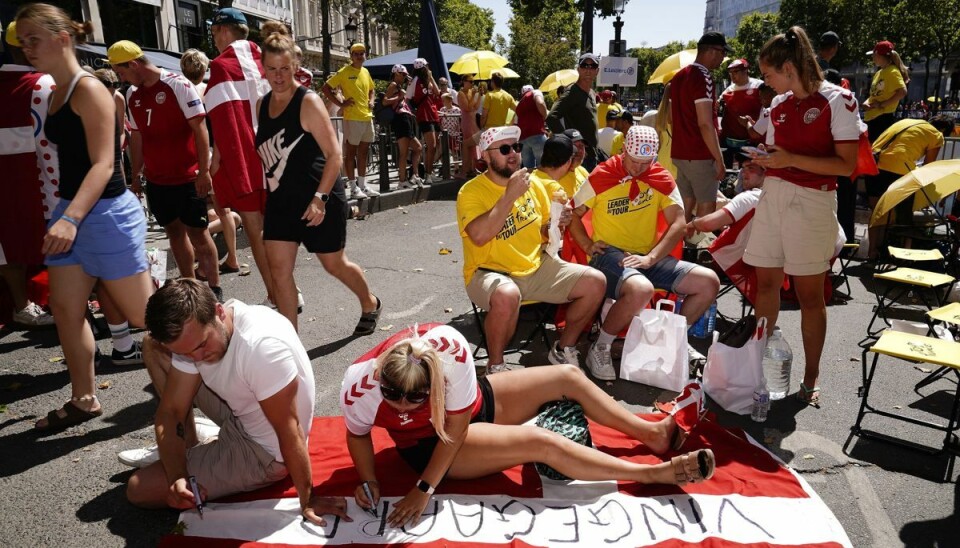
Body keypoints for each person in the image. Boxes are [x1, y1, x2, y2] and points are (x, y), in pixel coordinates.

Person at [340, 323, 715, 527]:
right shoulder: (360, 385)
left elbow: (458, 422)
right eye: (393, 396)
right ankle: (652, 475)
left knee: (567, 375)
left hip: (462, 414)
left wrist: (423, 490)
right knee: (539, 441)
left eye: (416, 398)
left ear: (435, 381)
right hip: (429, 443)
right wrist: (379, 481)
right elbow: (356, 435)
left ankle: (651, 433)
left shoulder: (450, 350)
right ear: (379, 380)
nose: (403, 404)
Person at [16, 3, 154, 431]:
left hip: (106, 215)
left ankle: (197, 397)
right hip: (72, 210)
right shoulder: (54, 89)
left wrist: (69, 219)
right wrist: (67, 214)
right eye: (22, 42)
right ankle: (85, 398)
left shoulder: (89, 88)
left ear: (62, 39)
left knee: (150, 320)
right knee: (64, 307)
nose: (26, 49)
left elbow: (104, 164)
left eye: (33, 39)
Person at [122, 280, 349, 526]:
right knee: (153, 346)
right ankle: (189, 446)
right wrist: (178, 475)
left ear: (219, 312)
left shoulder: (260, 348)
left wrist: (309, 498)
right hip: (243, 409)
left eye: (201, 345)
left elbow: (289, 429)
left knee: (138, 489)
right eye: (186, 353)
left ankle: (198, 453)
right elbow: (171, 411)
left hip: (265, 451)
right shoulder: (205, 331)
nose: (197, 358)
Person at [744, 26, 862, 408]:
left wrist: (788, 159)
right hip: (774, 194)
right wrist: (766, 159)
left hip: (813, 200)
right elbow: (777, 151)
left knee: (810, 295)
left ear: (789, 67)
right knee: (765, 285)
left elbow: (846, 166)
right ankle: (756, 366)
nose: (766, 82)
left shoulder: (838, 100)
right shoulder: (777, 105)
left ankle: (810, 378)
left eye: (768, 74)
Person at [254, 22, 380, 334]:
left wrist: (320, 199)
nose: (279, 76)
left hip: (319, 198)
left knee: (334, 264)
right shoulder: (261, 105)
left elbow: (335, 155)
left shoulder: (307, 101)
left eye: (285, 68)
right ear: (263, 68)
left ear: (295, 66)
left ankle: (370, 302)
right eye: (272, 69)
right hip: (282, 203)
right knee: (279, 272)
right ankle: (290, 346)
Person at [569, 126, 720, 379]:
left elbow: (679, 223)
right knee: (642, 289)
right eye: (634, 161)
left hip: (645, 257)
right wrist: (586, 245)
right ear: (623, 151)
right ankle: (601, 345)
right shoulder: (602, 174)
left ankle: (672, 342)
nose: (638, 169)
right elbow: (574, 214)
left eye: (645, 163)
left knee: (708, 282)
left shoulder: (660, 178)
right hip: (608, 255)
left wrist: (651, 257)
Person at [456, 126, 606, 374]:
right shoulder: (471, 191)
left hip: (536, 267)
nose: (513, 153)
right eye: (504, 149)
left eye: (516, 147)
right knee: (507, 295)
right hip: (489, 273)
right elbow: (480, 236)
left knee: (595, 282)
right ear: (485, 155)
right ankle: (496, 365)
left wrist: (557, 224)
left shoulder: (533, 185)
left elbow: (543, 234)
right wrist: (509, 197)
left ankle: (563, 348)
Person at [109, 40, 223, 302]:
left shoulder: (177, 84)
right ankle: (190, 288)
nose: (120, 78)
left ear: (134, 64)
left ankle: (215, 289)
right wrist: (136, 173)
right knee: (174, 232)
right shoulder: (131, 94)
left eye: (122, 72)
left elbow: (200, 129)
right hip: (158, 180)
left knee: (199, 233)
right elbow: (137, 137)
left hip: (188, 177)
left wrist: (204, 172)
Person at [0, 21, 55, 327]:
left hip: (10, 185)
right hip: (46, 184)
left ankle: (22, 305)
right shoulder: (45, 84)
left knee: (7, 248)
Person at [181, 48, 242, 274]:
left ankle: (203, 263)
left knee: (194, 214)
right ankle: (231, 258)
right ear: (205, 68)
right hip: (213, 155)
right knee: (223, 210)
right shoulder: (209, 91)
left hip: (192, 158)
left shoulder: (181, 91)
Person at [866, 115, 956, 258]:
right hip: (898, 169)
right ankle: (901, 255)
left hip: (874, 164)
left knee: (877, 211)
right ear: (944, 128)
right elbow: (928, 166)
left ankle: (872, 252)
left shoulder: (906, 121)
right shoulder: (936, 135)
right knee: (903, 215)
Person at [670, 32, 730, 229]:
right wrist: (719, 160)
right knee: (707, 206)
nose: (723, 58)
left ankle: (678, 244)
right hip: (700, 154)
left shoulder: (678, 77)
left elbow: (671, 117)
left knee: (685, 205)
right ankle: (693, 246)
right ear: (713, 51)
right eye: (722, 53)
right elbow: (705, 123)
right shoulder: (703, 76)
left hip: (680, 152)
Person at [321, 43, 378, 199]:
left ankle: (362, 185)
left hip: (367, 117)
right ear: (351, 56)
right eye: (356, 53)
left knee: (364, 153)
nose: (359, 56)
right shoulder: (344, 72)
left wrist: (371, 101)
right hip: (352, 117)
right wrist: (341, 104)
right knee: (351, 153)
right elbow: (325, 88)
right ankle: (353, 188)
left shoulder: (365, 71)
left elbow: (372, 89)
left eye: (362, 53)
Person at [547, 53, 602, 171]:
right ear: (578, 69)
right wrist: (569, 145)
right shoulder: (571, 92)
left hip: (591, 155)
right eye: (584, 66)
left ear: (597, 71)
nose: (588, 69)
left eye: (592, 66)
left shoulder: (592, 93)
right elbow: (552, 118)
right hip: (578, 158)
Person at [383, 64, 423, 189]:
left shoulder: (399, 86)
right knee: (405, 152)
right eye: (403, 74)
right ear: (396, 73)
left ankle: (413, 175)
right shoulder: (393, 85)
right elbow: (384, 101)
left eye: (406, 74)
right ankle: (403, 180)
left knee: (417, 148)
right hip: (400, 119)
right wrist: (399, 96)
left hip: (405, 118)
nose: (405, 76)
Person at [863, 40, 908, 143]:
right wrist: (866, 103)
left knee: (874, 154)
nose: (872, 58)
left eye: (874, 55)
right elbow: (874, 95)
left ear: (880, 55)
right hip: (872, 118)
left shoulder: (892, 72)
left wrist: (882, 104)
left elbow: (902, 92)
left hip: (882, 119)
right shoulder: (879, 72)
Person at [719, 58, 763, 164]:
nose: (732, 75)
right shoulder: (729, 90)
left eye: (736, 72)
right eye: (730, 73)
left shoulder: (759, 86)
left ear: (745, 71)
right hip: (733, 140)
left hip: (755, 137)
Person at [406, 58, 442, 184]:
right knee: (431, 145)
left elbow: (438, 92)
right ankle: (427, 174)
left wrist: (431, 78)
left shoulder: (429, 80)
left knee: (434, 145)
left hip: (433, 113)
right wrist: (412, 113)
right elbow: (407, 98)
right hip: (424, 115)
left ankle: (429, 172)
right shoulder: (414, 81)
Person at [515, 84, 547, 169]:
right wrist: (545, 117)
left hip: (523, 139)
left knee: (528, 169)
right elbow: (540, 102)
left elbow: (514, 124)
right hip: (537, 134)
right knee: (543, 166)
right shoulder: (535, 92)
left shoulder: (518, 105)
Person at [456, 73, 481, 178]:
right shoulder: (461, 93)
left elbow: (475, 107)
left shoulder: (471, 91)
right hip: (467, 121)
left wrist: (479, 95)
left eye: (473, 82)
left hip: (473, 120)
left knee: (474, 146)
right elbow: (466, 108)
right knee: (468, 145)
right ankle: (466, 170)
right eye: (470, 81)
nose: (472, 84)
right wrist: (473, 96)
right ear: (464, 82)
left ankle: (472, 168)